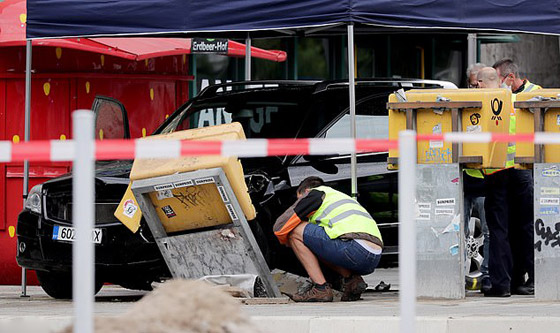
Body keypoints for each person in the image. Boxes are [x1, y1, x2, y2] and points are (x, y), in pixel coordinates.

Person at [273, 176, 383, 302]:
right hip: (374, 257)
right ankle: (352, 280)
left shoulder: (315, 193)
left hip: (354, 249)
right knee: (317, 241)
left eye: (299, 199)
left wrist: (288, 242)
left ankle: (321, 288)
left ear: (306, 191)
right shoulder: (339, 197)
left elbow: (280, 227)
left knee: (294, 232)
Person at [492, 59, 541, 296]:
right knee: (510, 228)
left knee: (526, 228)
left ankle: (533, 277)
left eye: (499, 79)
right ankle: (516, 279)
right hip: (504, 170)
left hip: (524, 170)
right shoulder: (501, 98)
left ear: (510, 78)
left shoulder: (536, 94)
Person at [461, 65, 491, 293]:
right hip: (464, 182)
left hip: (484, 184)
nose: (474, 87)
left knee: (487, 232)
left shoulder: (492, 107)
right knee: (460, 232)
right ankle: (462, 274)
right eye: (471, 84)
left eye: (477, 83)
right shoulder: (463, 105)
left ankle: (486, 276)